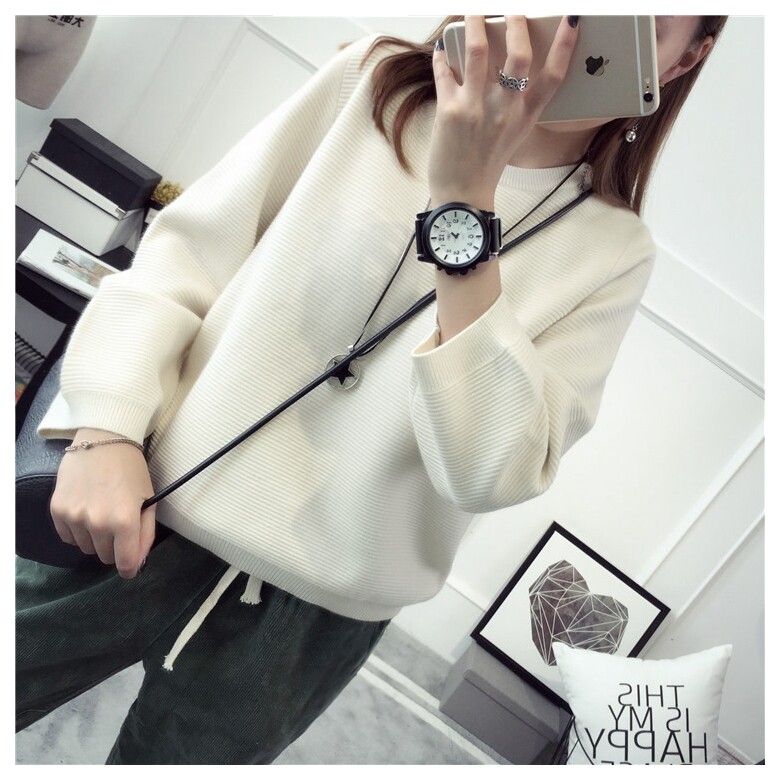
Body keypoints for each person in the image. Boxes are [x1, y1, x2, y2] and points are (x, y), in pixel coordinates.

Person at [16, 15, 725, 765]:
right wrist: (105, 428)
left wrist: (465, 202)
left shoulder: (612, 252)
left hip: (307, 625)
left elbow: (492, 469)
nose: (578, 34)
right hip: (136, 504)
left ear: (684, 59)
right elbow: (185, 256)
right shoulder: (374, 86)